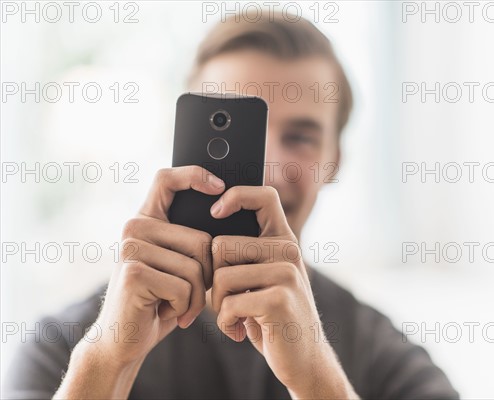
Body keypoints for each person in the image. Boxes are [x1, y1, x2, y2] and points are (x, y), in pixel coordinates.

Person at [3, 13, 459, 400]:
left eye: (299, 137)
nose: (267, 171)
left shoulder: (378, 352)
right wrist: (104, 366)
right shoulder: (66, 347)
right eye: (241, 134)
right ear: (180, 143)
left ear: (334, 161)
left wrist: (318, 380)